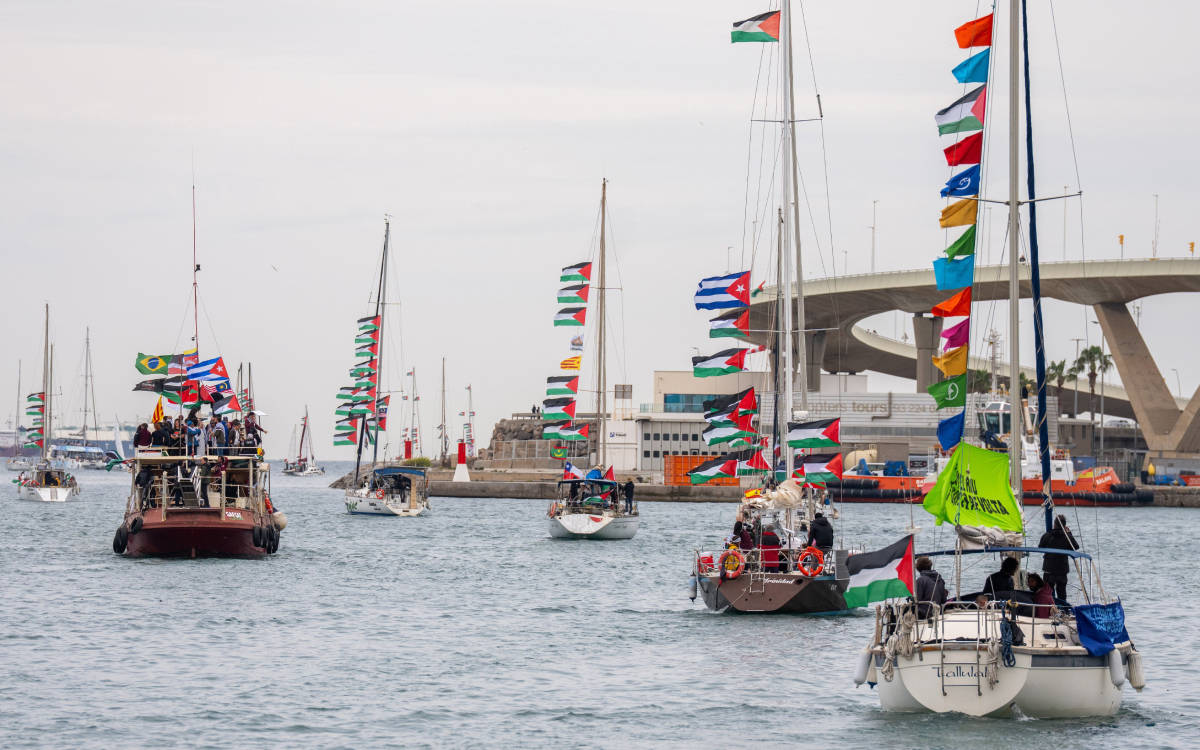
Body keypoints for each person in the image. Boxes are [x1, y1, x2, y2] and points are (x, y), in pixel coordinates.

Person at [1038, 514, 1078, 601]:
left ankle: (1048, 610)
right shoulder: (1067, 537)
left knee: (1047, 594)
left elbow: (1040, 547)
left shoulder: (1047, 535)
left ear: (1054, 524)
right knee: (1062, 594)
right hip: (1062, 570)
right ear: (1064, 525)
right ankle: (1063, 610)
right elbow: (1075, 547)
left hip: (1049, 570)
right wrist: (1069, 533)